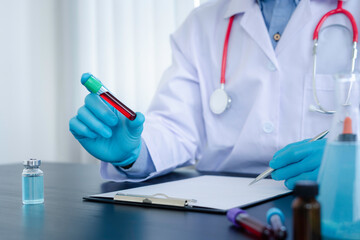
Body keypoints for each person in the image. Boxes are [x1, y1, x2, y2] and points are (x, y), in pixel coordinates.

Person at [69, 0, 360, 189]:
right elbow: (176, 126)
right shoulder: (203, 23)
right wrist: (134, 153)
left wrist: (350, 163)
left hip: (335, 201)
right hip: (223, 207)